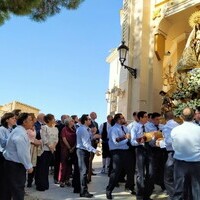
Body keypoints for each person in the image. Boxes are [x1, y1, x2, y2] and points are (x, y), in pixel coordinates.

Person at [171, 107, 200, 200]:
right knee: (197, 191)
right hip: (196, 163)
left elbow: (173, 146)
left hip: (180, 163)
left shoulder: (175, 130)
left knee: (179, 190)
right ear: (194, 116)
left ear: (181, 117)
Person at [3, 113, 33, 200]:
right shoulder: (20, 133)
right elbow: (22, 153)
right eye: (30, 120)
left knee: (8, 189)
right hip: (15, 166)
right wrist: (29, 166)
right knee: (18, 190)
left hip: (10, 164)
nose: (32, 122)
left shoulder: (18, 131)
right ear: (24, 122)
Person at [106, 113, 134, 200]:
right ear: (118, 120)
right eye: (122, 118)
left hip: (126, 151)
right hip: (117, 153)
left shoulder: (125, 128)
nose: (124, 119)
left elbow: (129, 137)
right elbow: (116, 142)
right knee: (116, 172)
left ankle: (130, 187)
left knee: (130, 170)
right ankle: (109, 190)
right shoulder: (113, 129)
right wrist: (126, 139)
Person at [156, 111, 179, 200]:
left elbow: (169, 141)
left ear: (165, 118)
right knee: (176, 175)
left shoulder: (166, 127)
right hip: (179, 153)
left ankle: (174, 196)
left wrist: (160, 143)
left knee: (168, 177)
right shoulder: (177, 125)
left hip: (172, 153)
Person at [76, 114, 101, 198]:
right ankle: (83, 191)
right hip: (82, 151)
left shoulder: (87, 129)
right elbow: (85, 143)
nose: (90, 121)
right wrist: (95, 150)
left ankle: (81, 189)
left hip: (84, 151)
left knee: (84, 171)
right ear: (85, 121)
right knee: (83, 172)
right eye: (89, 119)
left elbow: (88, 139)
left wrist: (94, 135)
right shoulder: (82, 129)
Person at [131, 111, 153, 200]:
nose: (147, 118)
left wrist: (153, 137)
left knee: (150, 173)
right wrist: (139, 141)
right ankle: (140, 195)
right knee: (140, 174)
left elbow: (152, 139)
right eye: (145, 116)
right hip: (140, 150)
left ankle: (147, 195)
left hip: (149, 150)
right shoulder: (134, 127)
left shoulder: (149, 126)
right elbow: (132, 142)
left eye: (147, 116)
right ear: (140, 118)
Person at [35, 114, 58, 191]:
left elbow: (56, 139)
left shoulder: (56, 129)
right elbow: (44, 138)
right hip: (44, 150)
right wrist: (50, 146)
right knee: (42, 168)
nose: (54, 120)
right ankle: (40, 185)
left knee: (46, 168)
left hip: (51, 150)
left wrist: (53, 146)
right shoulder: (44, 127)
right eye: (53, 118)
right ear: (48, 120)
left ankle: (45, 184)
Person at [0, 112, 16, 199]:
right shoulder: (2, 129)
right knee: (3, 179)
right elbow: (3, 143)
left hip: (11, 157)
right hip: (3, 156)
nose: (15, 119)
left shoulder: (13, 130)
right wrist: (13, 139)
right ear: (7, 120)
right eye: (13, 118)